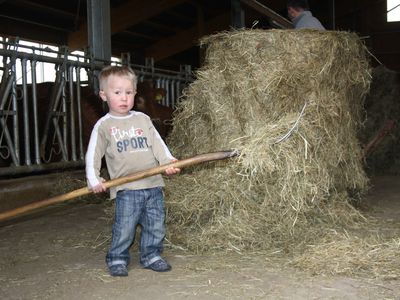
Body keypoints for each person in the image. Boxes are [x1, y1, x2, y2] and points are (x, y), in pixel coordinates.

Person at [85, 65, 180, 277]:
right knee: (125, 227)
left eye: (128, 92)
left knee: (156, 224)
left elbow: (158, 144)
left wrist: (168, 161)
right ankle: (117, 258)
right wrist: (94, 178)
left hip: (153, 184)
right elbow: (93, 154)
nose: (124, 98)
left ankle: (152, 255)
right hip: (126, 188)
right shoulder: (104, 125)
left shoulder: (143, 120)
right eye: (117, 92)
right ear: (103, 95)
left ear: (135, 94)